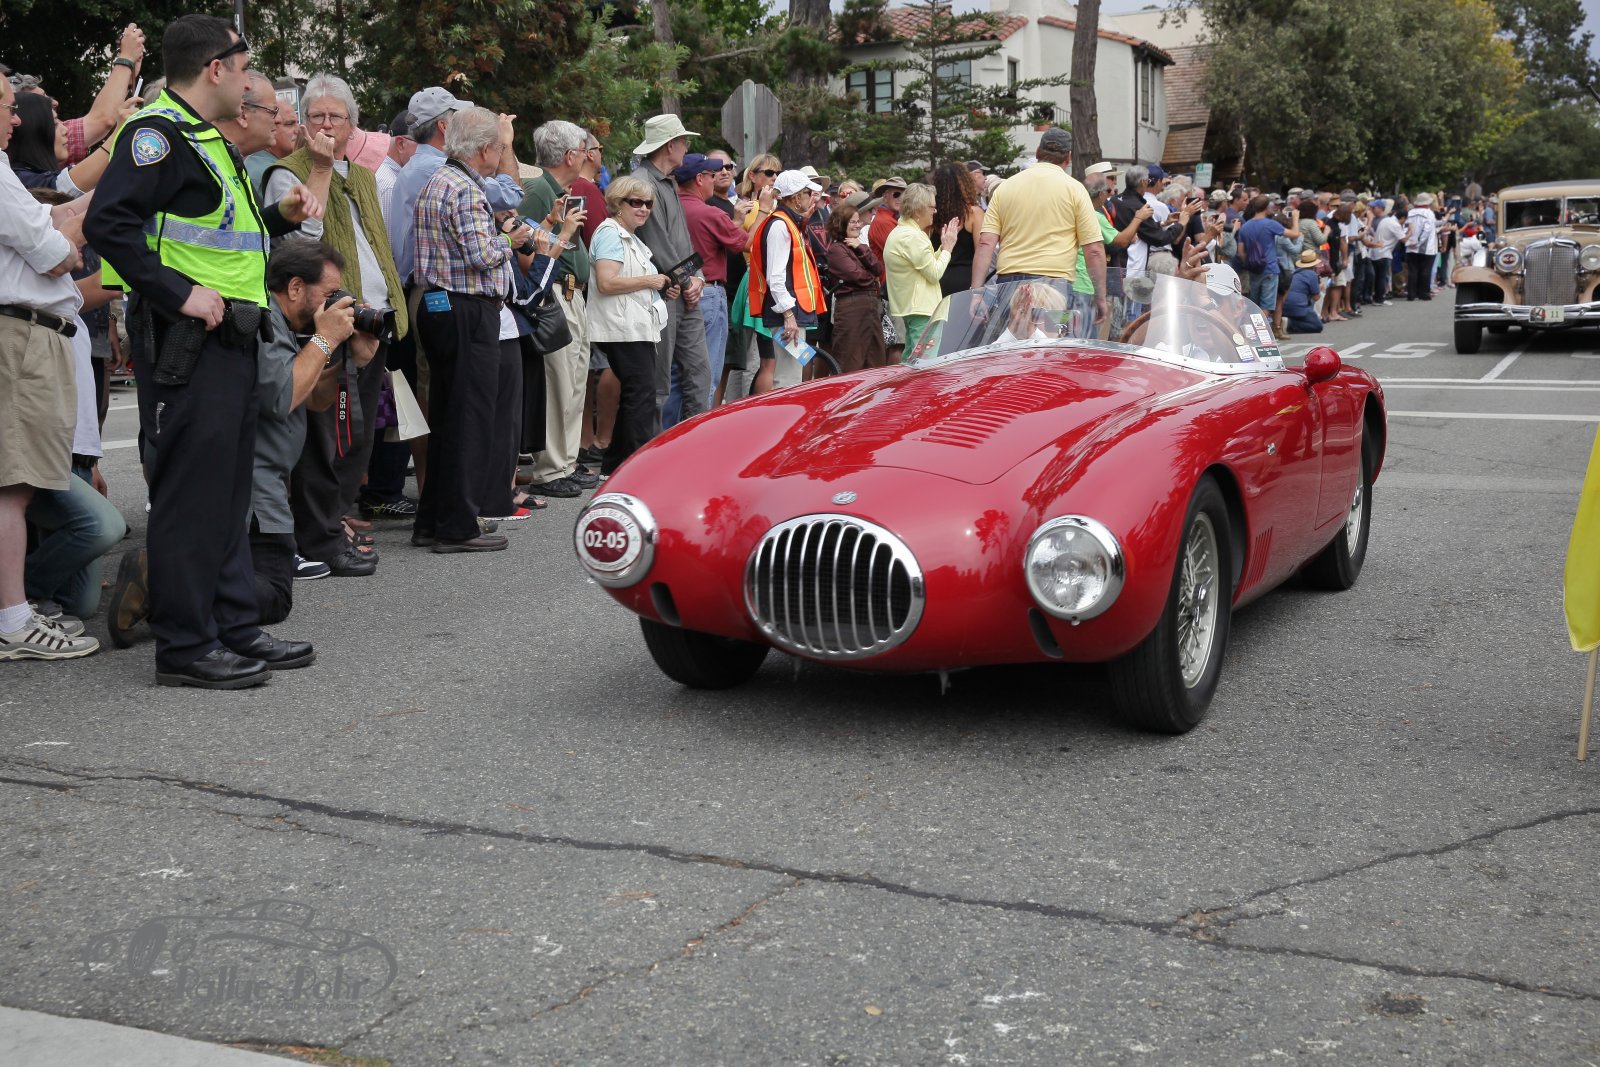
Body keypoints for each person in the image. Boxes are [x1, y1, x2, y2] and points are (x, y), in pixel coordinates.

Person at [86, 15, 324, 688]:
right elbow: (109, 223)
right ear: (215, 69)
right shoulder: (157, 134)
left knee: (226, 497)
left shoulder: (203, 138)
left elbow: (212, 232)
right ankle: (187, 646)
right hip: (189, 345)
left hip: (232, 340)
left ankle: (233, 626)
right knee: (192, 499)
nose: (248, 84)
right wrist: (178, 292)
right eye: (243, 70)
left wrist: (277, 218)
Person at [263, 73, 408, 576]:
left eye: (335, 116)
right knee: (325, 440)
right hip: (324, 318)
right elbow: (303, 241)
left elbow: (379, 244)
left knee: (357, 437)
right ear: (303, 124)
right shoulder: (287, 172)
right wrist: (322, 167)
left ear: (353, 124)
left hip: (371, 318)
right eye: (316, 116)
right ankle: (320, 533)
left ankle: (334, 520)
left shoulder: (364, 175)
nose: (326, 124)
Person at [0, 65, 102, 661]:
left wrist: (95, 203)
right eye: (8, 106)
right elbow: (56, 253)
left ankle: (15, 612)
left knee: (17, 484)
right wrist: (78, 232)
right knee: (12, 487)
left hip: (30, 335)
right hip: (21, 337)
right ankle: (14, 620)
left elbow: (50, 224)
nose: (16, 119)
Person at [410, 105, 534, 553]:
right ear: (485, 149)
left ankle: (433, 519)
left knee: (448, 415)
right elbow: (482, 255)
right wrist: (511, 240)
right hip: (466, 308)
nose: (500, 155)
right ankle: (457, 526)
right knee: (470, 418)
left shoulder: (439, 179)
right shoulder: (463, 188)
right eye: (499, 147)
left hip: (440, 306)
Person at [252, 241, 380, 622]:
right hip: (252, 486)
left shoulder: (290, 325)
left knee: (273, 595)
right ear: (295, 287)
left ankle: (178, 582)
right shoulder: (263, 320)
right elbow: (285, 396)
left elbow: (314, 399)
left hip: (270, 482)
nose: (335, 304)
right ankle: (162, 580)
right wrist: (326, 339)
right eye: (329, 294)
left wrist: (349, 359)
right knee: (273, 596)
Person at [516, 119, 600, 499]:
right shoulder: (539, 189)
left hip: (571, 293)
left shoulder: (560, 189)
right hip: (552, 293)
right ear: (569, 155)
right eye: (584, 150)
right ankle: (550, 468)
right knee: (558, 384)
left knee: (574, 384)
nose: (588, 156)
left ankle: (565, 462)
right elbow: (527, 244)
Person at [970, 126, 1106, 328]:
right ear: (1068, 157)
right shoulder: (1075, 189)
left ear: (1037, 152)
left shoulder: (1005, 187)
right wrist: (1100, 296)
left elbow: (985, 243)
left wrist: (976, 293)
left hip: (1009, 283)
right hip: (1056, 285)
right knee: (1051, 341)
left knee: (1011, 341)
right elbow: (1094, 250)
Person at [587, 175, 675, 473]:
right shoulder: (611, 233)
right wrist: (650, 280)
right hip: (622, 327)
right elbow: (607, 282)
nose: (644, 208)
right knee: (641, 395)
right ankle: (636, 467)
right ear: (618, 203)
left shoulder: (630, 236)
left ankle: (616, 464)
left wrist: (661, 288)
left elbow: (631, 283)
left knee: (638, 394)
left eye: (648, 203)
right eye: (636, 202)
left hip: (634, 326)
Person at [631, 114, 711, 428]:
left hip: (681, 290)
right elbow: (658, 244)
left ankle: (694, 442)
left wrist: (698, 279)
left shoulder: (667, 181)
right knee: (658, 382)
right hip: (661, 295)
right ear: (670, 146)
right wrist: (689, 282)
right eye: (683, 141)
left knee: (699, 374)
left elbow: (682, 240)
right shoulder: (643, 182)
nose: (686, 147)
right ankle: (653, 450)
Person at [668, 153, 749, 424]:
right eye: (712, 175)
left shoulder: (670, 208)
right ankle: (696, 433)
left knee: (676, 376)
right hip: (708, 292)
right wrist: (761, 210)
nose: (716, 179)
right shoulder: (709, 212)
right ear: (699, 179)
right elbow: (745, 244)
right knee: (706, 374)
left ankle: (669, 435)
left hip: (673, 292)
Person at [749, 170, 831, 365]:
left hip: (791, 313)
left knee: (791, 374)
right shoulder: (781, 225)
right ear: (796, 198)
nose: (812, 197)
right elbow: (775, 277)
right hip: (788, 316)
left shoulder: (787, 223)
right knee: (788, 378)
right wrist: (788, 315)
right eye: (808, 193)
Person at [884, 182, 960, 356]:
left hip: (915, 308)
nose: (935, 211)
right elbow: (934, 273)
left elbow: (926, 263)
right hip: (921, 309)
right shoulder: (912, 237)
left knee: (911, 358)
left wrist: (943, 247)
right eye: (932, 207)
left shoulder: (904, 232)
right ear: (918, 211)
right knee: (924, 362)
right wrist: (948, 249)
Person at [731, 153, 783, 393]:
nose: (775, 178)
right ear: (752, 176)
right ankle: (752, 405)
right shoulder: (747, 207)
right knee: (762, 358)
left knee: (771, 356)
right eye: (769, 173)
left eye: (778, 173)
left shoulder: (778, 207)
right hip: (758, 280)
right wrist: (763, 209)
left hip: (773, 282)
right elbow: (747, 244)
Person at [822, 202, 886, 372]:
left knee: (875, 359)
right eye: (853, 221)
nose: (858, 225)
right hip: (852, 308)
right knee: (850, 359)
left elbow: (878, 268)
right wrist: (872, 278)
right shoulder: (836, 250)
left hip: (870, 308)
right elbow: (856, 276)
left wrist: (861, 247)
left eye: (858, 221)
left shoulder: (858, 246)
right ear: (841, 223)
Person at [9, 93, 113, 196]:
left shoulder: (31, 173)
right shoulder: (16, 180)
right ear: (32, 131)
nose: (65, 130)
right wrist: (118, 137)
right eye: (54, 124)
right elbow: (61, 190)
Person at [1236, 195, 1299, 316]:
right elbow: (1295, 234)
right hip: (1269, 268)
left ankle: (1253, 326)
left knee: (1254, 305)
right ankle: (1262, 327)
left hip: (1253, 269)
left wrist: (1249, 263)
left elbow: (1241, 252)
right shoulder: (1270, 224)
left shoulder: (1245, 226)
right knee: (1266, 306)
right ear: (1266, 207)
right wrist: (1295, 218)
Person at [932, 162, 982, 298]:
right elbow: (981, 252)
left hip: (937, 279)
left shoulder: (932, 214)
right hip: (966, 281)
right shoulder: (973, 213)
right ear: (965, 184)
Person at [374, 110, 414, 223]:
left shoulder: (379, 168)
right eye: (423, 144)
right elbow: (388, 234)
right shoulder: (391, 187)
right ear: (401, 144)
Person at [1404, 193, 1438, 302]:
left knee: (1413, 270)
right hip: (1427, 247)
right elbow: (1427, 230)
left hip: (1410, 246)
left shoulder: (1410, 212)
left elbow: (1405, 227)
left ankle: (1411, 293)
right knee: (1425, 270)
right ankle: (1424, 293)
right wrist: (1418, 242)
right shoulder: (1429, 213)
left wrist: (1409, 241)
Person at [1282, 249, 1324, 333]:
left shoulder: (1295, 273)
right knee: (1317, 326)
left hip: (1285, 305)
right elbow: (1316, 297)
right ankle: (1289, 324)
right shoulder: (1312, 274)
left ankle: (1286, 321)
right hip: (1299, 306)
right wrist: (1320, 287)